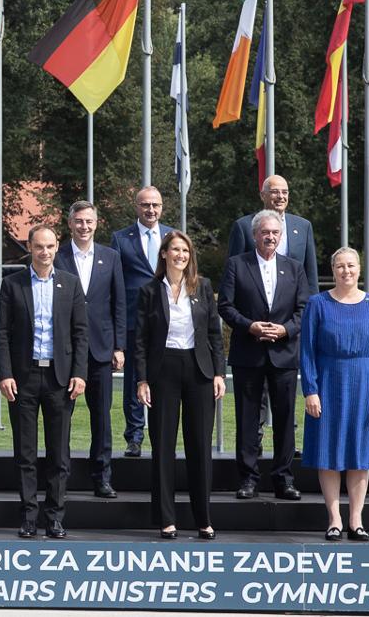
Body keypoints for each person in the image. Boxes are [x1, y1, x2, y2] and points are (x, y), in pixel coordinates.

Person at [0, 225, 90, 539]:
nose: (45, 252)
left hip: (60, 378)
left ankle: (55, 517)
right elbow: (3, 335)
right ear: (29, 247)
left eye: (50, 246)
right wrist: (5, 374)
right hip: (23, 377)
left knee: (59, 452)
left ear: (56, 247)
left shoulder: (71, 284)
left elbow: (80, 333)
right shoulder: (12, 284)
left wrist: (79, 373)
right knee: (25, 452)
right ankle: (28, 517)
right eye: (39, 247)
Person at [132, 230, 223, 540]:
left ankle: (204, 519)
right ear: (164, 254)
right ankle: (166, 519)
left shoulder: (203, 287)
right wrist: (142, 379)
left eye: (185, 250)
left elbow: (214, 335)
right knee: (163, 447)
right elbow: (140, 340)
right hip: (163, 371)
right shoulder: (148, 291)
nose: (180, 255)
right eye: (175, 250)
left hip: (198, 371)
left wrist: (219, 374)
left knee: (200, 447)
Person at [300, 247, 369, 541]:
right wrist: (311, 391)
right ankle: (334, 518)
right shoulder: (317, 304)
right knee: (329, 452)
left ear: (359, 268)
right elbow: (307, 351)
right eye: (340, 266)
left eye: (351, 265)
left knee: (360, 452)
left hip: (365, 384)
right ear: (333, 269)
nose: (346, 271)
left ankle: (356, 518)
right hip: (328, 382)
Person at [219, 209, 312, 501]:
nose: (270, 237)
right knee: (247, 420)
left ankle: (283, 479)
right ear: (254, 235)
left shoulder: (295, 268)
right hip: (249, 353)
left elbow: (303, 308)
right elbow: (225, 306)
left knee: (285, 420)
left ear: (280, 236)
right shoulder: (237, 264)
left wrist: (285, 330)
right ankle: (248, 479)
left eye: (274, 233)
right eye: (264, 232)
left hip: (283, 354)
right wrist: (251, 327)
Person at [58, 200, 125, 497]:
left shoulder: (111, 257)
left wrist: (119, 345)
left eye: (89, 222)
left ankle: (102, 476)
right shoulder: (56, 256)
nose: (84, 227)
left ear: (97, 224)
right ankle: (60, 475)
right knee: (61, 417)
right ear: (70, 224)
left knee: (102, 417)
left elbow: (119, 304)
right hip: (66, 351)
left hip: (100, 349)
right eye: (79, 221)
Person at [110, 186, 173, 458]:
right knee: (134, 380)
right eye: (145, 205)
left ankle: (162, 435)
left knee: (165, 381)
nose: (151, 210)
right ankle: (134, 436)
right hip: (133, 321)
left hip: (167, 321)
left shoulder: (172, 236)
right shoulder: (121, 238)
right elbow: (115, 283)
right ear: (136, 206)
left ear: (162, 207)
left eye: (155, 205)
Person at [226, 174, 321, 289]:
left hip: (294, 301)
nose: (281, 196)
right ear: (262, 195)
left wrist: (311, 304)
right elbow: (232, 271)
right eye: (275, 192)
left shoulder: (303, 226)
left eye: (285, 192)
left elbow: (310, 273)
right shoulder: (243, 226)